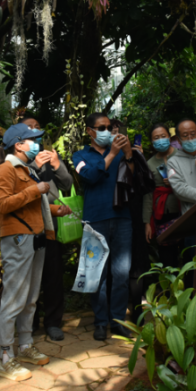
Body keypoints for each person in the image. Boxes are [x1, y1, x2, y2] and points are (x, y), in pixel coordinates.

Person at [0, 123, 72, 381]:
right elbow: (2, 204)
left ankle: (25, 346)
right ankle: (6, 357)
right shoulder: (6, 169)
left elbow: (34, 205)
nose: (37, 144)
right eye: (32, 140)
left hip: (36, 237)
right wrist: (34, 190)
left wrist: (56, 210)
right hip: (18, 238)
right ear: (18, 144)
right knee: (14, 298)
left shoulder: (28, 169)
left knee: (30, 297)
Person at [72, 112, 135, 341]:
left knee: (121, 274)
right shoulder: (79, 155)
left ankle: (117, 321)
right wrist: (113, 154)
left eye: (109, 127)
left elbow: (134, 179)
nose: (107, 131)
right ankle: (100, 322)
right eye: (101, 128)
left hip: (122, 217)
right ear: (90, 131)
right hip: (95, 219)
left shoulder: (119, 152)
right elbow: (90, 176)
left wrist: (128, 154)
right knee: (96, 274)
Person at [21, 116, 73, 342]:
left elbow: (67, 184)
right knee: (29, 278)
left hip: (50, 228)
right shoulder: (16, 161)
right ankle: (29, 322)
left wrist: (57, 164)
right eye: (29, 128)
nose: (34, 131)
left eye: (37, 127)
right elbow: (18, 193)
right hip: (26, 229)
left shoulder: (49, 156)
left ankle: (53, 322)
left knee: (53, 276)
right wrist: (34, 165)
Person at [143, 123, 181, 269]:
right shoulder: (149, 163)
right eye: (156, 138)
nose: (160, 140)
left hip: (184, 210)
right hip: (162, 214)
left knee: (187, 252)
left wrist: (175, 183)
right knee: (167, 257)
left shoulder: (181, 155)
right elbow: (148, 194)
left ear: (169, 137)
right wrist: (147, 222)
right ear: (152, 142)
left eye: (163, 136)